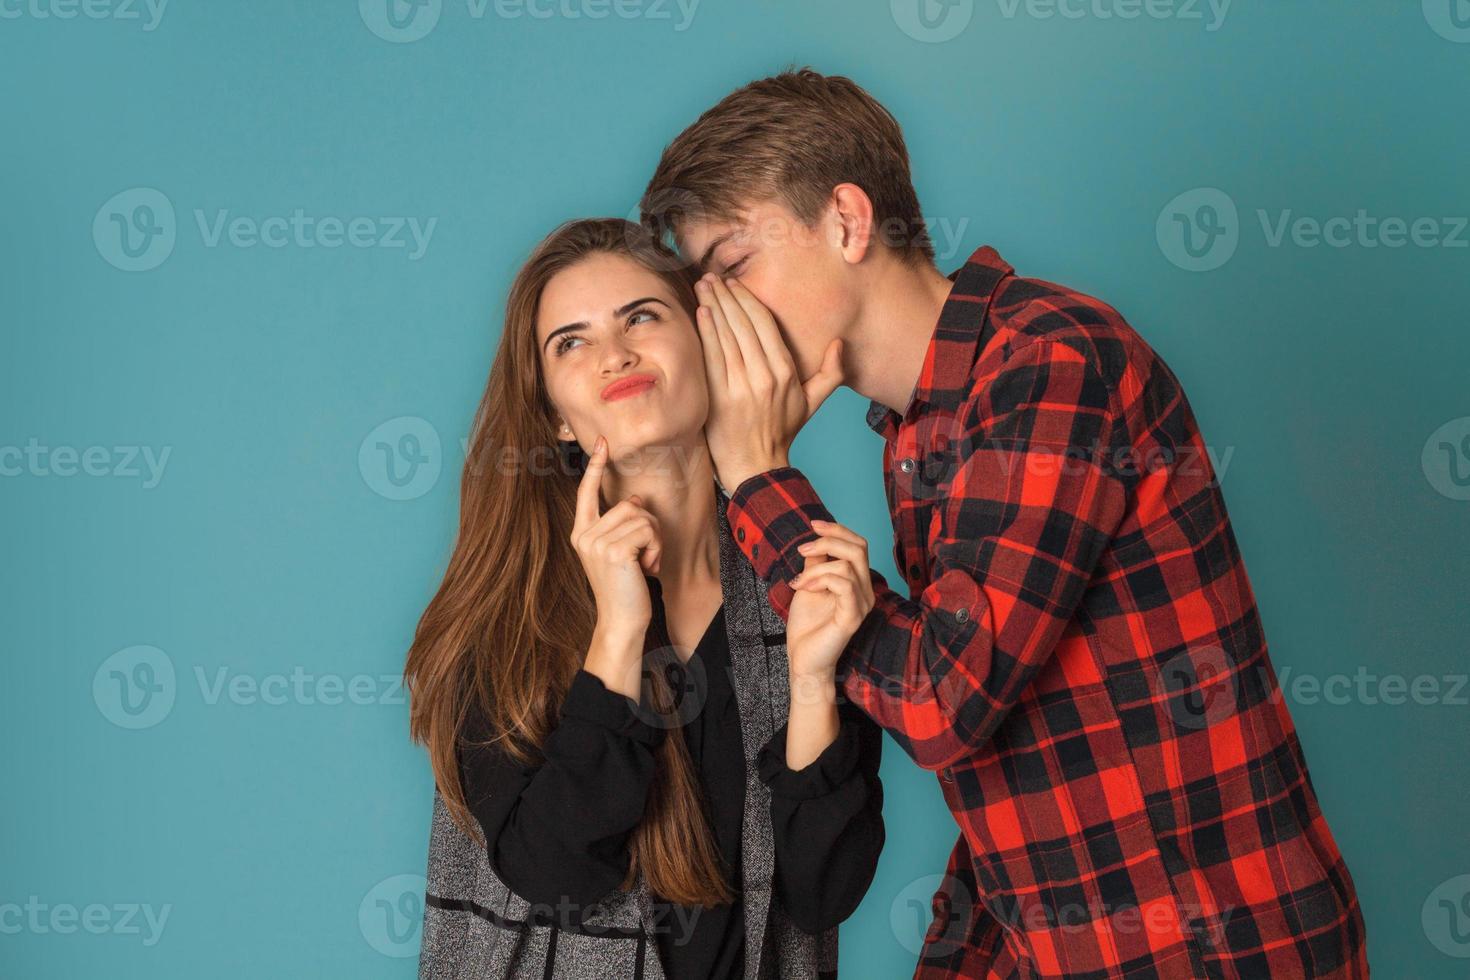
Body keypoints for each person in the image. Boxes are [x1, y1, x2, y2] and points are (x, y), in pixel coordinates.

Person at [639, 68, 1369, 978]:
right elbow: (1021, 765)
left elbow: (943, 700)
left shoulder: (1050, 363)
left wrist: (756, 476)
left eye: (735, 267)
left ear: (848, 221)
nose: (718, 317)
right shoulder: (919, 430)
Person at [405, 217, 884, 979]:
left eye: (642, 317)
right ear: (556, 416)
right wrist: (619, 632)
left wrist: (814, 681)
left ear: (705, 347)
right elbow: (553, 871)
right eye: (572, 342)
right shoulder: (499, 619)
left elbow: (822, 894)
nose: (615, 353)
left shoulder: (802, 581)